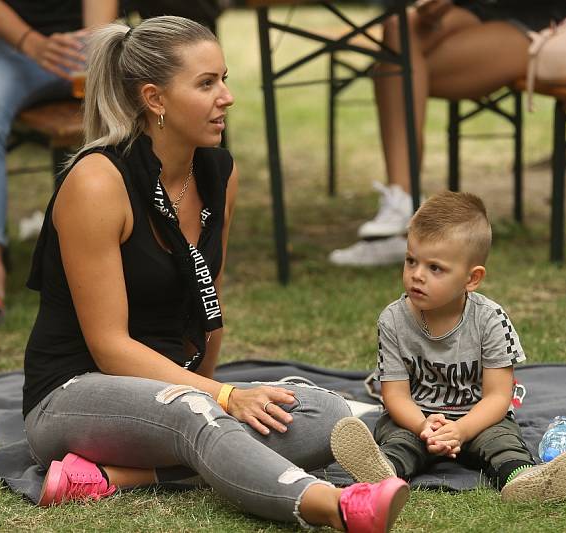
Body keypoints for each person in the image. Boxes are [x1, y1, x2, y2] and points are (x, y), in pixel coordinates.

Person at [21, 16, 408, 532]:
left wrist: (213, 392)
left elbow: (208, 304)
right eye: (206, 84)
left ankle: (119, 476)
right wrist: (218, 398)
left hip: (172, 389)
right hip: (72, 392)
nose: (226, 96)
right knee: (194, 413)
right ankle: (334, 507)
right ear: (155, 99)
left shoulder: (218, 173)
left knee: (325, 412)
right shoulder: (97, 181)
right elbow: (109, 347)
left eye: (223, 79)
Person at [330, 191, 566, 502]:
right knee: (398, 439)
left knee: (502, 441)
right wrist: (424, 425)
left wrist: (463, 430)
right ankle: (383, 472)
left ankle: (523, 480)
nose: (417, 275)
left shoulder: (490, 320)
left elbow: (498, 395)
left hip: (478, 417)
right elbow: (395, 395)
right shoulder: (393, 320)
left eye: (435, 268)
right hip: (417, 418)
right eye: (411, 260)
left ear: (472, 279)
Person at [329, 0, 566, 267]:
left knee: (395, 68)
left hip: (545, 23)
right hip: (477, 9)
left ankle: (401, 219)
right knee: (398, 32)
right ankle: (402, 201)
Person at [0, 0, 119, 330]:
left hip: (86, 42)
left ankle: (129, 260)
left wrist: (93, 42)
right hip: (7, 46)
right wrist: (32, 42)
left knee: (128, 107)